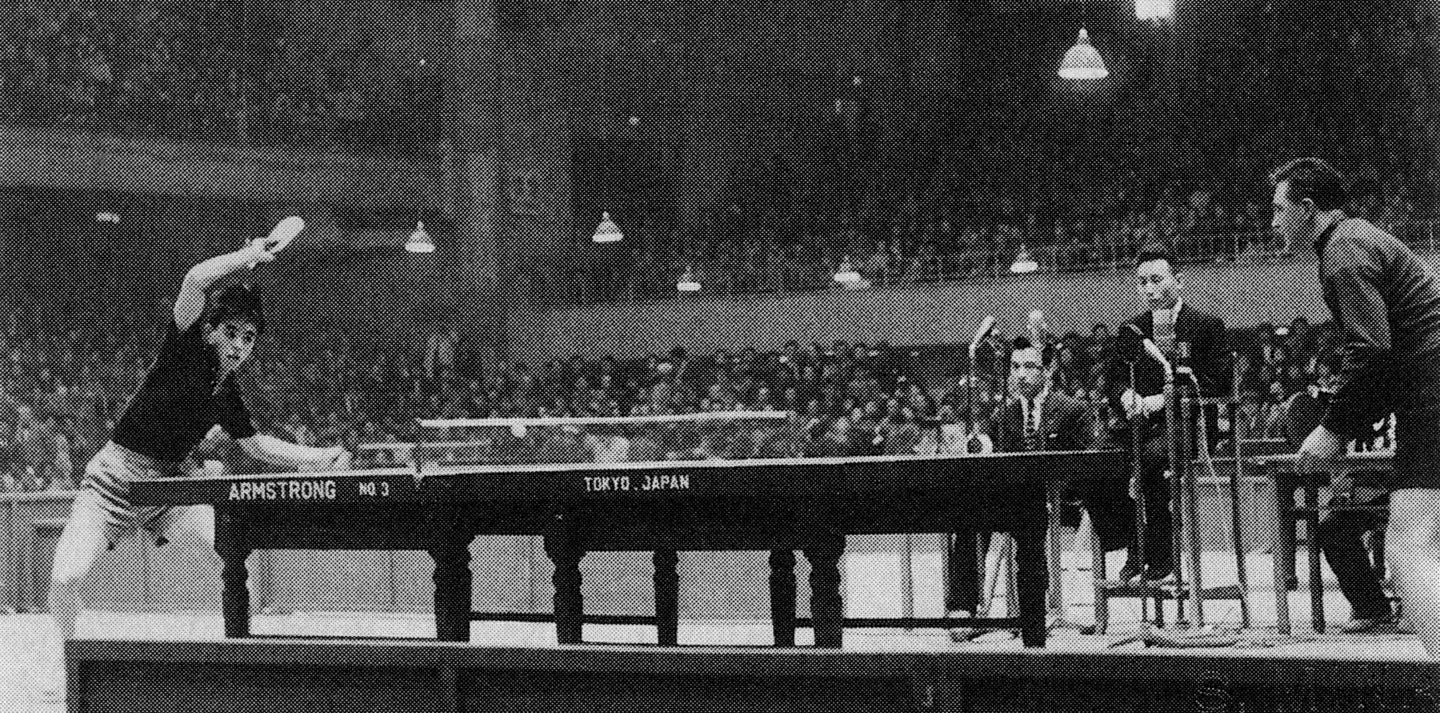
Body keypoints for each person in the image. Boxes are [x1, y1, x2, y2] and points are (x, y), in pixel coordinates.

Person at [42, 233, 352, 697]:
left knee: (227, 550)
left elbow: (256, 445)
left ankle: (247, 664)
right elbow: (194, 278)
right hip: (114, 481)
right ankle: (72, 669)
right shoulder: (184, 346)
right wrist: (248, 257)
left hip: (174, 489)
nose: (239, 346)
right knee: (66, 576)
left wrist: (320, 457)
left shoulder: (226, 391)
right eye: (231, 334)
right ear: (210, 330)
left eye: (248, 339)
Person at [1276, 158, 1440, 656]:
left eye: (1280, 210)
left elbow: (1375, 355)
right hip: (1425, 385)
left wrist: (1332, 431)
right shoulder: (1358, 239)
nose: (1275, 222)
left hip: (1431, 389)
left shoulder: (1342, 255)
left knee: (1409, 551)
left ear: (1307, 210)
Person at [948, 338, 1094, 640]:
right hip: (1019, 499)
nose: (1021, 374)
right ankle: (963, 606)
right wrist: (981, 443)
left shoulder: (1073, 409)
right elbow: (988, 441)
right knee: (969, 511)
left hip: (1062, 499)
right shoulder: (1005, 413)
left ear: (1047, 370)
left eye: (1029, 366)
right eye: (1015, 367)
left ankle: (1032, 611)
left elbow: (1087, 459)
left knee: (1029, 514)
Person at [1102, 244, 1226, 581]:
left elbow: (1217, 384)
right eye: (1142, 282)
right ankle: (1133, 542)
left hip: (1190, 426)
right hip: (1139, 427)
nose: (1150, 290)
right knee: (1102, 459)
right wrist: (1126, 395)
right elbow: (1112, 380)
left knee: (1152, 459)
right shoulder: (1131, 330)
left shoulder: (1206, 325)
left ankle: (1156, 556)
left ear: (1179, 280)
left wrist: (1164, 400)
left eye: (1157, 280)